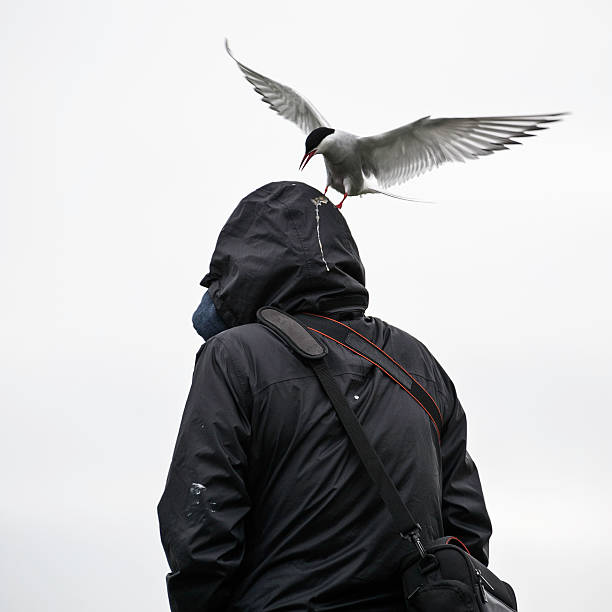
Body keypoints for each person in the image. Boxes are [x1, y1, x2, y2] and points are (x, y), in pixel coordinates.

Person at [158, 181, 492, 611]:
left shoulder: (234, 354)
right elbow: (466, 526)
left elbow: (202, 518)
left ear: (240, 266)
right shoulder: (418, 362)